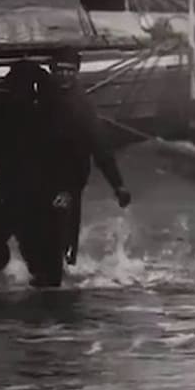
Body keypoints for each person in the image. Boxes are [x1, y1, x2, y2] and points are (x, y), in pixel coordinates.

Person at [0, 60, 74, 287]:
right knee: (37, 255)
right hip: (26, 190)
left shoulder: (39, 113)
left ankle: (0, 287)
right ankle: (7, 286)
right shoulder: (48, 113)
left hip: (25, 191)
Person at [42, 46, 131, 264]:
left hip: (70, 177)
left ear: (77, 72)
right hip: (41, 174)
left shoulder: (83, 107)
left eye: (69, 70)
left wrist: (117, 185)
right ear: (52, 71)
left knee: (65, 223)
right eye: (59, 70)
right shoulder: (40, 99)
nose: (64, 75)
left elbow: (100, 147)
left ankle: (64, 268)